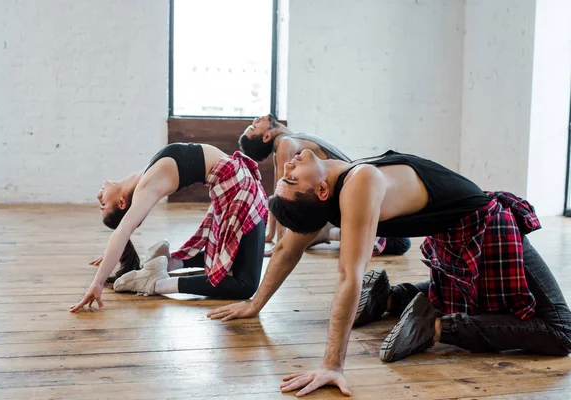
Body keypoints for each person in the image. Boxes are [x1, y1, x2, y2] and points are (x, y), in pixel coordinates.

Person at [207, 149, 571, 397]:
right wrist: (332, 365)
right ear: (319, 190)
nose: (286, 168)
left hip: (461, 237)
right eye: (290, 179)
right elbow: (333, 268)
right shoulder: (358, 181)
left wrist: (255, 302)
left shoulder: (343, 180)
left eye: (286, 177)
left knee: (470, 301)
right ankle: (435, 327)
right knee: (561, 331)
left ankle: (392, 298)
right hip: (481, 232)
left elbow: (288, 246)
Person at [70, 143, 267, 312]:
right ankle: (155, 284)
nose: (98, 197)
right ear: (122, 203)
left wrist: (113, 250)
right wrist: (97, 282)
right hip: (237, 187)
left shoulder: (144, 177)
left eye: (101, 204)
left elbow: (121, 233)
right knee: (245, 285)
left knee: (232, 266)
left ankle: (171, 263)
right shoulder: (146, 186)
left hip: (236, 184)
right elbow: (122, 231)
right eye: (102, 205)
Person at [238, 113, 411, 256]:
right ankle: (333, 232)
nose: (256, 120)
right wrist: (273, 238)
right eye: (254, 126)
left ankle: (340, 233)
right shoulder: (284, 144)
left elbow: (282, 196)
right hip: (350, 202)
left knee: (401, 242)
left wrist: (277, 242)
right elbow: (281, 196)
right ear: (266, 136)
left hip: (361, 201)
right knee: (304, 237)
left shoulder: (287, 142)